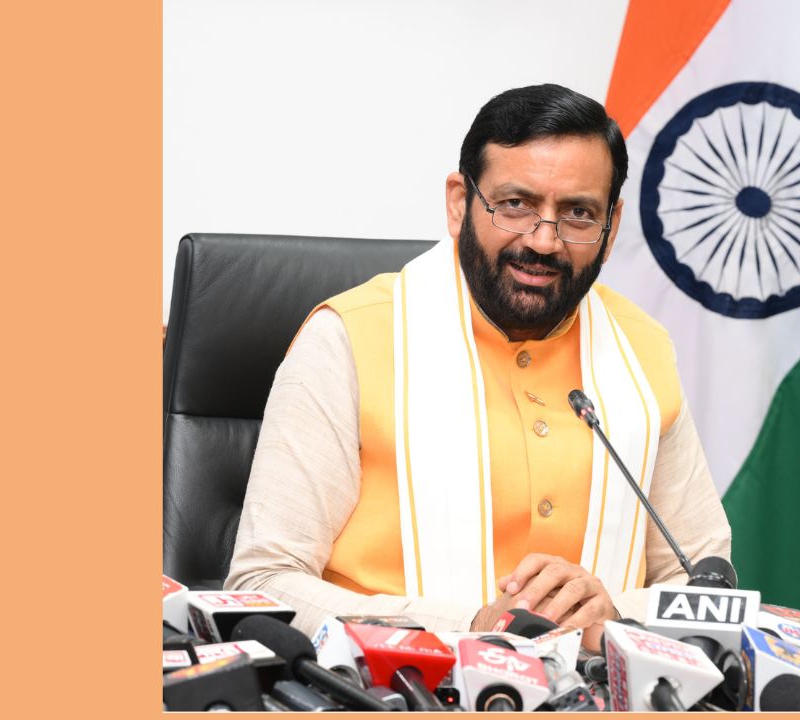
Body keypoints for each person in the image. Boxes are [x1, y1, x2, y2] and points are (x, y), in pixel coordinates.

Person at [225, 84, 730, 650]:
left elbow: (704, 579)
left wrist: (613, 613)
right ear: (459, 203)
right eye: (515, 205)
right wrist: (471, 626)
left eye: (578, 213)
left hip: (593, 685)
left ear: (610, 226)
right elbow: (264, 584)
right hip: (390, 684)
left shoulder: (642, 349)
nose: (544, 241)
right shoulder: (347, 340)